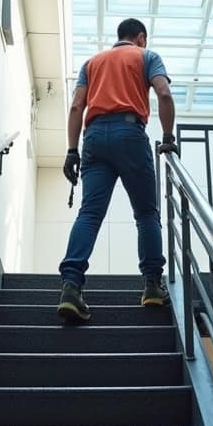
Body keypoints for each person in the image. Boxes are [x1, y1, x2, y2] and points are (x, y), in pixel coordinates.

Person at [57, 18, 178, 322]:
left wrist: (72, 151)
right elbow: (164, 94)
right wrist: (167, 139)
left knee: (89, 214)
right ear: (141, 37)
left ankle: (71, 286)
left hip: (94, 138)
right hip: (129, 134)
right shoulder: (146, 56)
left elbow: (76, 107)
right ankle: (152, 284)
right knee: (146, 214)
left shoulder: (92, 63)